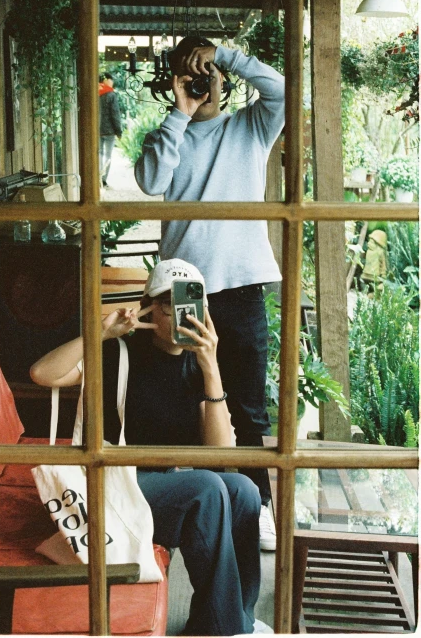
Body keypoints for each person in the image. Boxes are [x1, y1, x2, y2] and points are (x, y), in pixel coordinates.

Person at [31, 258, 271, 636]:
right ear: (149, 308)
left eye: (192, 303)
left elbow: (223, 457)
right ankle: (224, 630)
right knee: (206, 490)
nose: (181, 314)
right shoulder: (119, 354)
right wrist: (101, 333)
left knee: (243, 491)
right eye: (168, 303)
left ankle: (232, 620)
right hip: (117, 487)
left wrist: (210, 367)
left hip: (169, 488)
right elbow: (43, 374)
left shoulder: (201, 364)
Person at [134, 37, 285, 552]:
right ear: (174, 78)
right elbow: (151, 180)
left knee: (248, 403)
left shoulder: (251, 126)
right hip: (183, 287)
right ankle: (199, 496)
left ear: (223, 74)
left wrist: (228, 57)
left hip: (241, 284)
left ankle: (256, 503)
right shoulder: (169, 136)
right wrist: (181, 112)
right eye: (189, 71)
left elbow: (283, 90)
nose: (202, 79)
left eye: (208, 71)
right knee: (186, 396)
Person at [99, 72, 123, 187]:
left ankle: (96, 178)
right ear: (106, 80)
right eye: (111, 80)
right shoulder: (110, 94)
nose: (112, 82)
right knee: (107, 156)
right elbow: (115, 114)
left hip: (96, 131)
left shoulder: (94, 92)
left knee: (98, 154)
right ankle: (103, 179)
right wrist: (119, 131)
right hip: (109, 131)